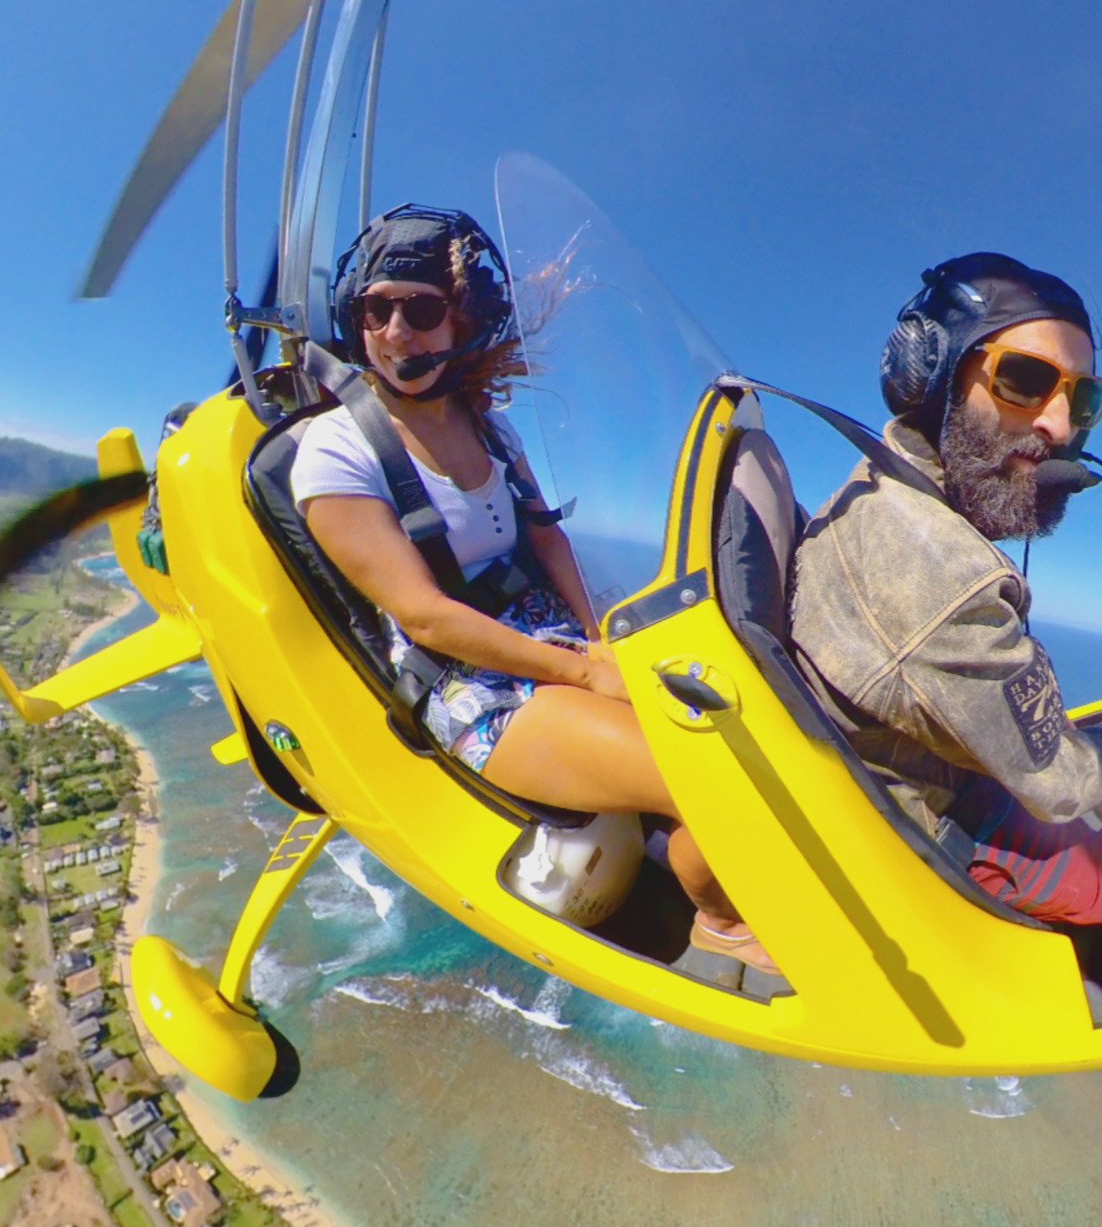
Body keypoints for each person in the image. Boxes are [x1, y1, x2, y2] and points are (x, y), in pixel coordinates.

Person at [289, 205, 776, 973]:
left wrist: (599, 639)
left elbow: (545, 536)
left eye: (420, 310)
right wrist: (583, 672)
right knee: (706, 772)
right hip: (465, 681)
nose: (395, 332)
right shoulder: (336, 450)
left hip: (548, 635)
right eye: (376, 311)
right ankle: (720, 919)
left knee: (743, 720)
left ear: (463, 319)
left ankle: (675, 842)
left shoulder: (487, 427)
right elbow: (425, 616)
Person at [789, 251, 1102, 961]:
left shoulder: (881, 485)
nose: (1059, 427)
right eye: (1023, 380)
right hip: (921, 838)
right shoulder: (947, 579)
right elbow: (1061, 784)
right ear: (929, 375)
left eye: (1082, 402)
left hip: (912, 775)